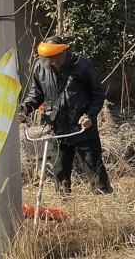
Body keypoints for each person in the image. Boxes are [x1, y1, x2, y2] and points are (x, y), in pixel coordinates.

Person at [18, 36, 112, 195]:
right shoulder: (40, 67)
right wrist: (25, 108)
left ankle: (104, 198)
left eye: (53, 57)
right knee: (60, 171)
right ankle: (63, 200)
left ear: (64, 51)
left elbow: (98, 94)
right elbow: (36, 94)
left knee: (94, 168)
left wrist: (89, 116)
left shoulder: (82, 66)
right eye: (46, 58)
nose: (50, 61)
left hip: (82, 127)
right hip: (57, 128)